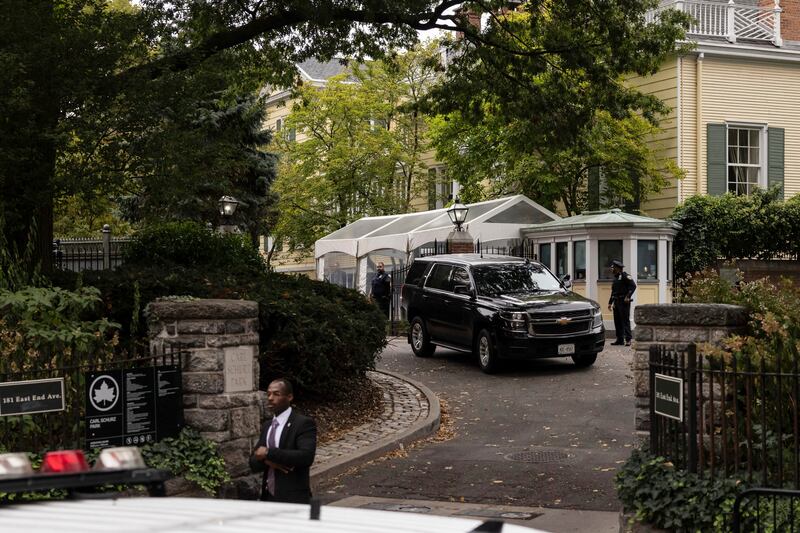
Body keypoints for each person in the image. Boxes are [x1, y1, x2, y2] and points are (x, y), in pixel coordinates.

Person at [249, 378, 317, 503]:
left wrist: (269, 453)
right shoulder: (267, 425)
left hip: (293, 499)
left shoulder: (303, 423)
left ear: (289, 397)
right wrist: (268, 461)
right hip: (268, 497)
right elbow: (254, 461)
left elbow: (306, 457)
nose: (270, 398)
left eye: (276, 394)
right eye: (268, 394)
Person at [608, 259, 636, 346]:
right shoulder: (616, 278)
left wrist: (628, 296)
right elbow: (614, 292)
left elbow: (633, 286)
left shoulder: (625, 276)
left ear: (617, 268)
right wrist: (610, 303)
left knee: (625, 321)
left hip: (624, 302)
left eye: (613, 268)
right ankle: (619, 339)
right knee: (617, 321)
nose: (612, 269)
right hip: (616, 302)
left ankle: (628, 339)